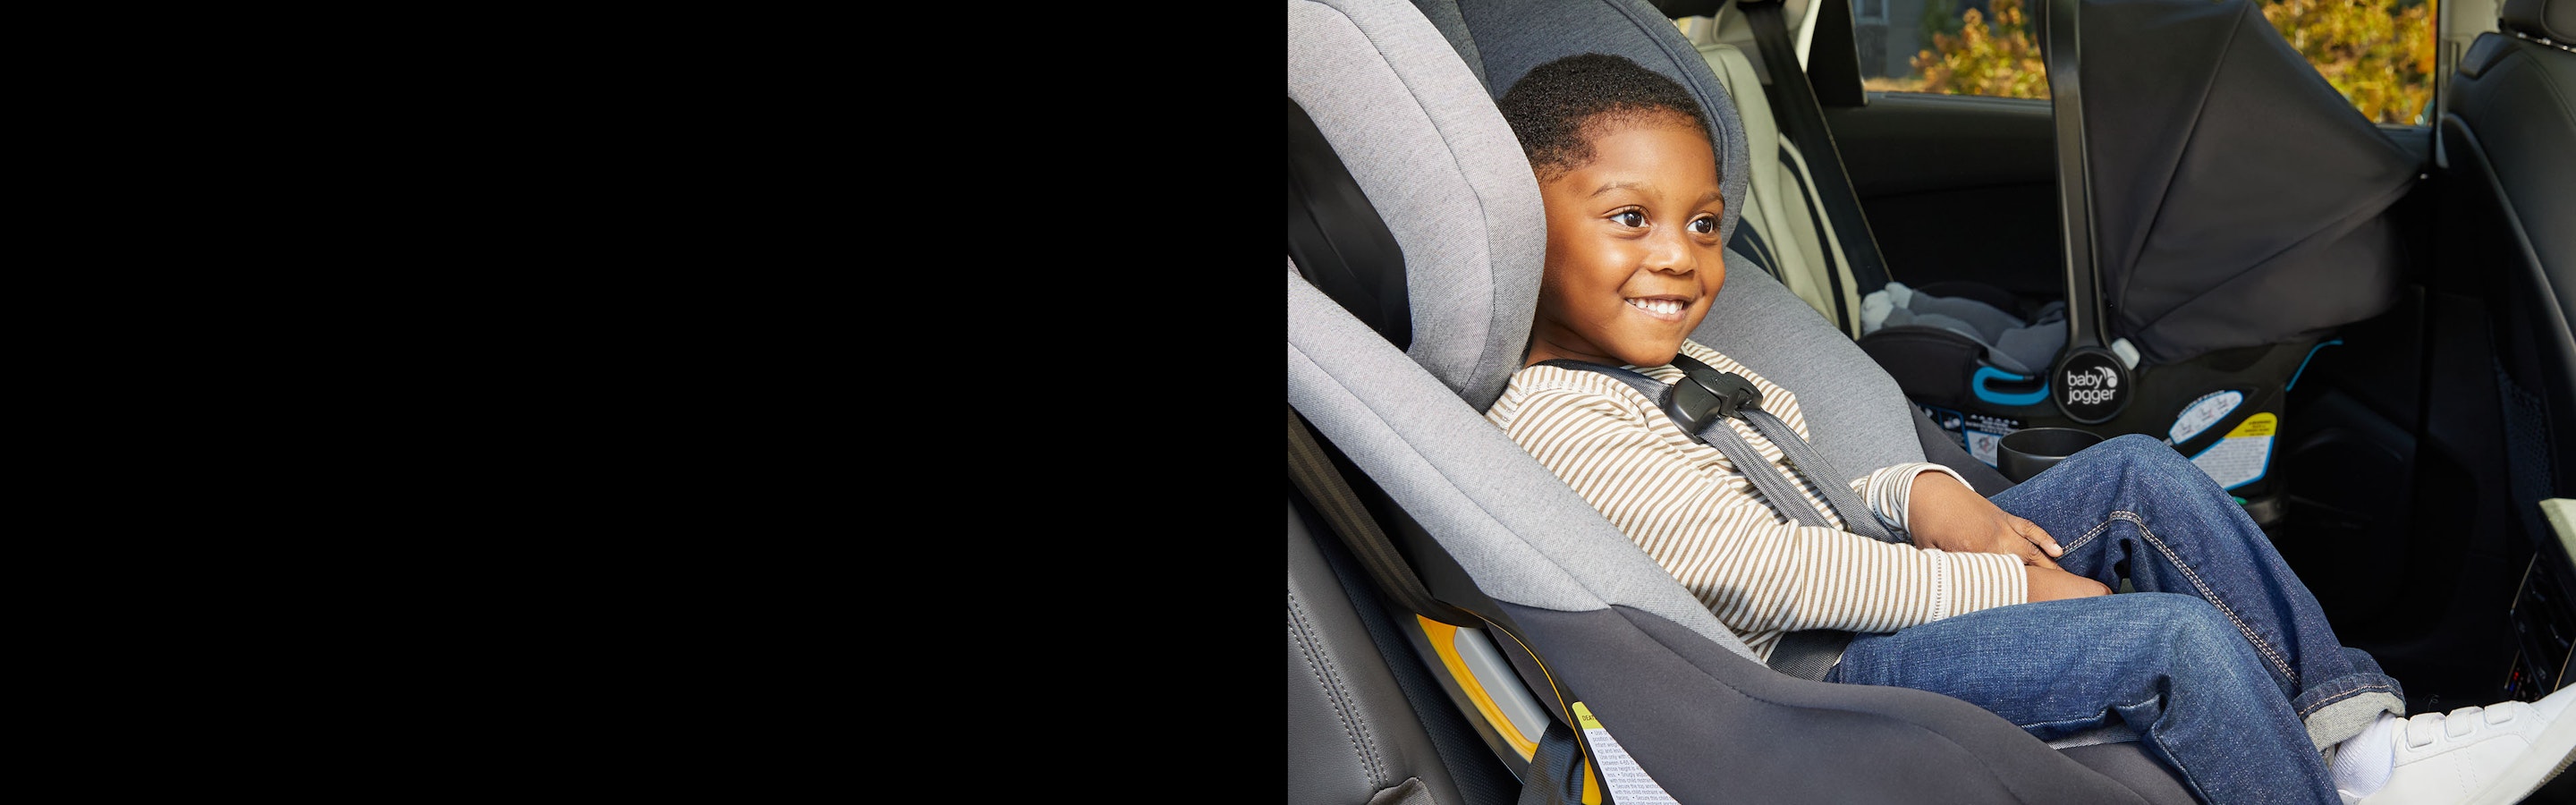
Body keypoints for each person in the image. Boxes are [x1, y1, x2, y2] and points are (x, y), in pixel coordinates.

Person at [1483, 52, 2574, 805]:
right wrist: (2014, 587)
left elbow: (1804, 488)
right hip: (1815, 680)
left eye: (1707, 223)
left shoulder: (1688, 364)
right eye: (1631, 219)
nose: (1681, 255)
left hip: (1869, 595)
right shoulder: (1558, 416)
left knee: (2136, 473)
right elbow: (1763, 577)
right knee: (2171, 646)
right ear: (1521, 222)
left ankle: (2359, 740)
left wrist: (1923, 494)